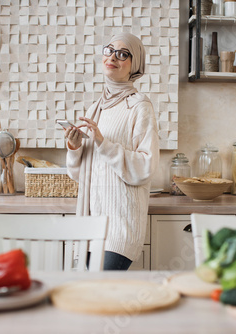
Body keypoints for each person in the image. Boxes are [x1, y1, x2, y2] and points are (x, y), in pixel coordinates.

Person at [64, 32, 159, 270]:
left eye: (123, 54)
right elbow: (81, 174)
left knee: (103, 288)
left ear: (134, 65)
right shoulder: (96, 107)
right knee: (94, 298)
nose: (113, 57)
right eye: (109, 50)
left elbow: (146, 166)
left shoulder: (139, 105)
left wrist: (103, 144)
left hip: (120, 224)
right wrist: (75, 148)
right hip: (92, 221)